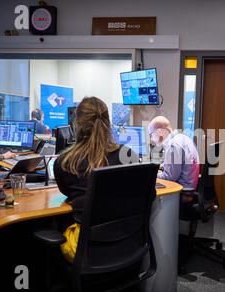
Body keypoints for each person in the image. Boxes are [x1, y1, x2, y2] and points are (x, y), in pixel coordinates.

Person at [53, 97, 131, 263]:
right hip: (128, 242)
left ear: (77, 124)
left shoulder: (65, 162)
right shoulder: (127, 155)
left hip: (87, 249)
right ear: (108, 122)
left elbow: (67, 193)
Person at [148, 116, 199, 190]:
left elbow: (169, 178)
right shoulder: (182, 138)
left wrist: (149, 175)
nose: (151, 139)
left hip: (182, 192)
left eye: (151, 135)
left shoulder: (173, 145)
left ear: (159, 132)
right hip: (189, 187)